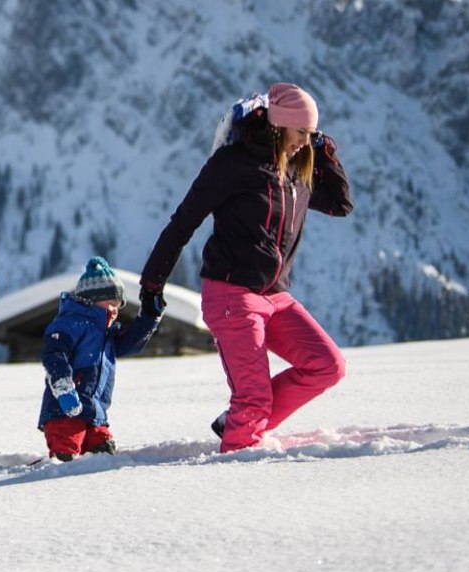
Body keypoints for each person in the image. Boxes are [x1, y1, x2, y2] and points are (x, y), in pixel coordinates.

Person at [138, 82, 353, 452]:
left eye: (312, 134)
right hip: (231, 294)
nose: (306, 141)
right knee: (253, 401)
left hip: (275, 295)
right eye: (301, 131)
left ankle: (238, 423)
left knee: (327, 365)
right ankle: (238, 461)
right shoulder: (233, 164)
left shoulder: (295, 176)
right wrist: (153, 283)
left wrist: (327, 153)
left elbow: (340, 204)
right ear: (278, 124)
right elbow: (183, 222)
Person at [38, 257, 163, 462]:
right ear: (92, 299)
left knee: (104, 454)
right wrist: (63, 387)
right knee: (66, 455)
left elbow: (132, 341)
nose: (115, 310)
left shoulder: (107, 335)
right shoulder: (69, 324)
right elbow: (54, 354)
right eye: (110, 303)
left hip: (94, 414)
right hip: (64, 412)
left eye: (118, 305)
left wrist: (150, 315)